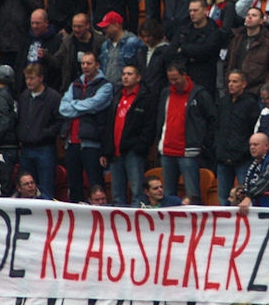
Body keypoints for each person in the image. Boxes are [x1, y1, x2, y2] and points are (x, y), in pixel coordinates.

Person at [156, 61, 216, 200]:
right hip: (167, 150)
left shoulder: (199, 94)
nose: (173, 83)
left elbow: (212, 119)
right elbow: (160, 119)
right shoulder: (166, 93)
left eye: (176, 79)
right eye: (170, 80)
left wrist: (203, 142)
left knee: (192, 194)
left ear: (184, 75)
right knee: (168, 195)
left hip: (189, 151)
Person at [59, 51, 113, 202]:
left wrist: (73, 105)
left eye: (89, 63)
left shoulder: (105, 86)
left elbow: (95, 104)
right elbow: (63, 108)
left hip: (92, 143)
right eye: (83, 63)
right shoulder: (75, 84)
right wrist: (83, 107)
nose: (85, 66)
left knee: (95, 184)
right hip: (71, 142)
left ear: (97, 65)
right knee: (74, 185)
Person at [101, 64, 156, 205]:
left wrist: (140, 147)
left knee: (137, 190)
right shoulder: (117, 96)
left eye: (129, 74)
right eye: (124, 74)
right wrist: (106, 150)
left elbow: (149, 126)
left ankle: (138, 217)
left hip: (133, 152)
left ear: (138, 77)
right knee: (117, 192)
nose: (125, 77)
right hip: (115, 151)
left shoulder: (145, 98)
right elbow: (109, 124)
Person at [17, 63, 62, 198]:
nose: (29, 82)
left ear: (41, 78)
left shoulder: (53, 97)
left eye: (32, 78)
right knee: (26, 188)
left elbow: (60, 121)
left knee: (46, 188)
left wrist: (45, 133)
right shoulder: (24, 96)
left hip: (45, 148)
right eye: (27, 78)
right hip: (26, 148)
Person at [215, 71, 260, 205]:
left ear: (243, 84)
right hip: (223, 157)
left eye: (235, 81)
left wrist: (246, 150)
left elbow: (254, 129)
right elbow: (216, 127)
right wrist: (216, 148)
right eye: (229, 81)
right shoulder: (223, 102)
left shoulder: (251, 104)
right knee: (223, 197)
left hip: (242, 158)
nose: (231, 84)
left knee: (243, 195)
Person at [226, 7, 269, 96]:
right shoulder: (236, 38)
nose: (249, 17)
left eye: (254, 15)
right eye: (248, 15)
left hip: (257, 91)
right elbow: (228, 62)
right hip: (235, 89)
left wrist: (264, 88)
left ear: (261, 21)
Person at [170, 0, 221, 98]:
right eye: (190, 11)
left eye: (195, 10)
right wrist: (192, 52)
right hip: (185, 75)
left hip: (205, 77)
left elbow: (205, 51)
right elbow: (173, 49)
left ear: (205, 11)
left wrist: (184, 50)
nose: (192, 13)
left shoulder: (213, 30)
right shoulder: (184, 28)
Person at [52, 12, 104, 93]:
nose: (76, 29)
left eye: (79, 26)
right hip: (72, 87)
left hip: (94, 87)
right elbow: (57, 61)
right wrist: (46, 56)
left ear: (87, 25)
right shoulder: (68, 42)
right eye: (74, 26)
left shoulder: (99, 42)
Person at [237, 132, 269, 214]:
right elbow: (249, 182)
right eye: (250, 145)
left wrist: (249, 196)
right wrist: (243, 191)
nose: (252, 147)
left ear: (266, 146)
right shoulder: (254, 163)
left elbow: (267, 180)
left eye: (255, 144)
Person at [19, 8, 63, 90]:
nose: (34, 26)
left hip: (47, 87)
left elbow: (58, 66)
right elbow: (19, 64)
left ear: (46, 23)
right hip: (25, 88)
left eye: (37, 23)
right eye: (32, 23)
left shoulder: (57, 41)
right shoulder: (26, 40)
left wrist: (46, 56)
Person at [98, 11, 144, 85]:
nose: (104, 30)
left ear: (116, 25)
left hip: (126, 87)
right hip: (108, 87)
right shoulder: (105, 45)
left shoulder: (133, 42)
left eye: (106, 27)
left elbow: (142, 67)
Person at [0, 64, 18, 166]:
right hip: (12, 143)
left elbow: (5, 120)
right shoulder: (13, 94)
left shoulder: (1, 96)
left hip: (4, 145)